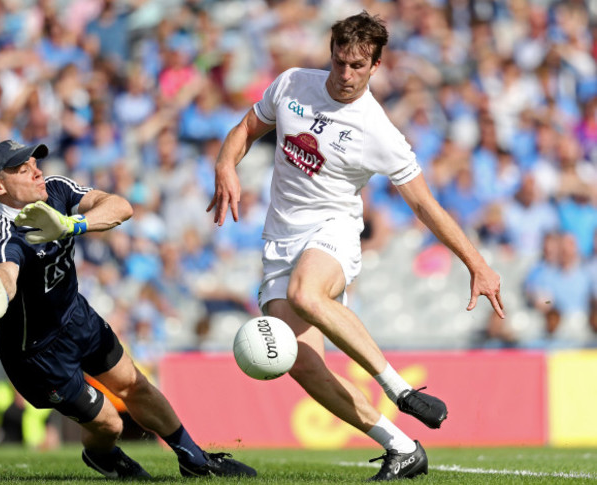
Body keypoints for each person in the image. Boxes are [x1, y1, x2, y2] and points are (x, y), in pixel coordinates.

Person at [208, 11, 504, 482]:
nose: (345, 75)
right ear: (331, 54)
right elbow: (246, 129)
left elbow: (425, 205)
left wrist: (477, 264)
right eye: (340, 62)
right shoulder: (292, 84)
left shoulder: (378, 131)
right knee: (301, 364)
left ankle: (400, 390)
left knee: (308, 293)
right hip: (279, 239)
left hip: (334, 230)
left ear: (376, 66)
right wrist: (226, 163)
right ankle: (402, 446)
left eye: (357, 66)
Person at [0, 139, 256, 479]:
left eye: (35, 163)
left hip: (77, 317)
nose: (37, 172)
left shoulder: (56, 190)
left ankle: (196, 461)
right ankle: (102, 456)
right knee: (109, 422)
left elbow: (120, 206)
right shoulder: (4, 233)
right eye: (23, 170)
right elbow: (5, 270)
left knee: (136, 384)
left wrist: (70, 224)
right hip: (38, 352)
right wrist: (1, 293)